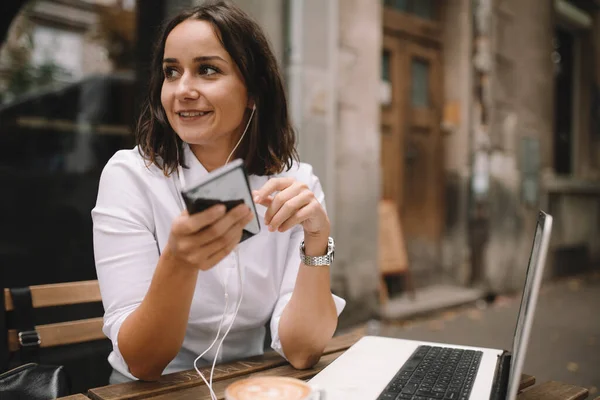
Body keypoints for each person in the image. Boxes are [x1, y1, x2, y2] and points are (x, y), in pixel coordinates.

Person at [91, 0, 345, 384]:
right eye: (171, 72)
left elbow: (302, 350)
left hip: (250, 383)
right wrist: (179, 260)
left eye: (207, 70)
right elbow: (143, 363)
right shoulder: (131, 177)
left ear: (253, 93)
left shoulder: (295, 184)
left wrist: (317, 242)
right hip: (148, 393)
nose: (183, 90)